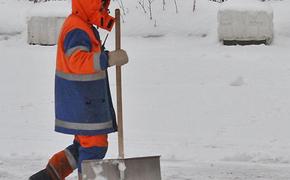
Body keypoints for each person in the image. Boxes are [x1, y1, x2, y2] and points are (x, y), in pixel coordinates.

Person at [29, 0, 128, 179]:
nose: (104, 9)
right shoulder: (77, 29)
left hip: (84, 102)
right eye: (101, 5)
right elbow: (77, 61)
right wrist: (107, 59)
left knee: (83, 147)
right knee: (94, 147)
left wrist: (106, 57)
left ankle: (48, 176)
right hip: (83, 103)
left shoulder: (83, 25)